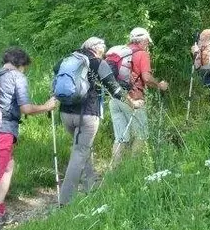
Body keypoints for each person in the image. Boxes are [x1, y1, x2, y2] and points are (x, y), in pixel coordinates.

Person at [0, 47, 58, 230]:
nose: (24, 71)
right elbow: (26, 108)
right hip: (0, 134)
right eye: (24, 68)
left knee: (9, 165)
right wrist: (47, 106)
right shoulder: (17, 77)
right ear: (21, 64)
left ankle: (0, 208)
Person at [54, 37, 143, 204]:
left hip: (65, 113)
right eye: (103, 47)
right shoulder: (97, 63)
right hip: (87, 114)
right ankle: (65, 201)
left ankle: (90, 188)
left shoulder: (67, 60)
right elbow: (115, 89)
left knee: (82, 149)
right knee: (79, 152)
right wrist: (133, 103)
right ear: (96, 48)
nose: (104, 50)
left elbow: (56, 74)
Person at [108, 27, 169, 165]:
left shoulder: (121, 52)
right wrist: (159, 84)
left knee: (120, 138)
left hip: (115, 98)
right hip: (133, 100)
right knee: (141, 135)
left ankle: (114, 171)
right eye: (147, 41)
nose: (148, 44)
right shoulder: (142, 54)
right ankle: (134, 167)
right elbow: (146, 78)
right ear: (144, 40)